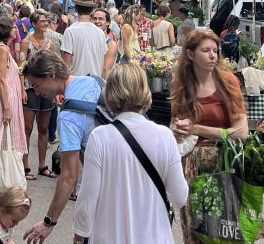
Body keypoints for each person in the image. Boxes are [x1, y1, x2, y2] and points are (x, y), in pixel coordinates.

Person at [72, 63, 188, 244]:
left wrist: (79, 236)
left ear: (110, 93)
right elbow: (180, 197)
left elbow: (88, 198)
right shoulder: (165, 137)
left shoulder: (100, 138)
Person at [170, 29, 248, 244]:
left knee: (224, 232)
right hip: (191, 164)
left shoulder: (228, 81)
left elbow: (241, 132)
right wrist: (177, 130)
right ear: (190, 54)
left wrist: (196, 129)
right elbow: (179, 127)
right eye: (206, 50)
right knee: (195, 231)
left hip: (223, 163)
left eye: (215, 50)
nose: (213, 55)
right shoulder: (180, 84)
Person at [21, 50, 102, 244]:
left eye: (36, 85)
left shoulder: (68, 116)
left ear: (52, 75)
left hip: (99, 194)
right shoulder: (93, 81)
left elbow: (68, 176)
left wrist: (49, 222)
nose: (36, 92)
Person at [21, 10, 57, 181]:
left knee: (44, 128)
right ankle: (25, 166)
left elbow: (53, 68)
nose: (45, 23)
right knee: (27, 129)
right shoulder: (26, 42)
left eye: (46, 21)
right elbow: (22, 66)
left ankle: (42, 165)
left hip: (46, 90)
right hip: (30, 88)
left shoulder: (50, 44)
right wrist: (21, 89)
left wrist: (55, 90)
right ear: (34, 24)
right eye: (42, 21)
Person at [0, 17, 28, 159]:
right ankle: (6, 168)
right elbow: (1, 79)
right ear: (6, 30)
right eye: (14, 27)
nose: (16, 29)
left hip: (5, 93)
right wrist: (6, 108)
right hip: (6, 95)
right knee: (7, 135)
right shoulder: (2, 49)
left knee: (5, 134)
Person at [60, 0, 107, 78]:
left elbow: (66, 64)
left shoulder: (70, 31)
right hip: (96, 81)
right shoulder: (100, 32)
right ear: (92, 10)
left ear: (76, 8)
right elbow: (104, 67)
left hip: (77, 82)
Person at [91, 8, 118, 75]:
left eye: (101, 19)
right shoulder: (89, 39)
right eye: (94, 18)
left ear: (108, 22)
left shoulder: (111, 45)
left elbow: (106, 69)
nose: (97, 21)